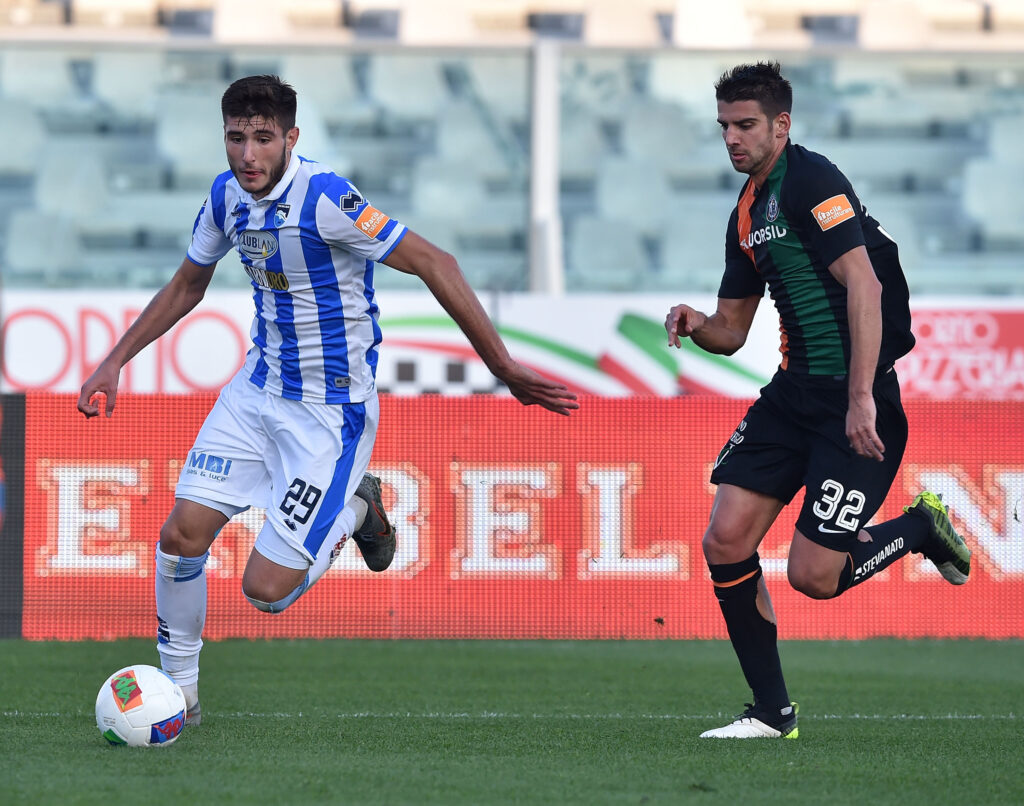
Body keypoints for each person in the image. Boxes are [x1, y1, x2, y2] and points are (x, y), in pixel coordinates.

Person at [78, 75, 578, 726]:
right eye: (236, 137)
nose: (247, 154)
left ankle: (357, 508)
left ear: (291, 138)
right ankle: (182, 698)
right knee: (180, 536)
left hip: (327, 414)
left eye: (263, 139)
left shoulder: (325, 196)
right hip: (256, 394)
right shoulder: (227, 198)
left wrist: (501, 365)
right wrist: (115, 360)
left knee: (265, 593)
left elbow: (437, 261)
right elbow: (187, 283)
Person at [664, 62, 971, 739]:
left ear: (782, 124)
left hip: (855, 403)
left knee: (815, 577)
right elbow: (733, 330)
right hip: (791, 396)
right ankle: (771, 714)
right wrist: (696, 322)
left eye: (745, 125)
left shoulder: (813, 180)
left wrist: (861, 396)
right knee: (724, 538)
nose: (732, 139)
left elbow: (864, 286)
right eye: (724, 127)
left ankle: (920, 528)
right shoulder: (746, 211)